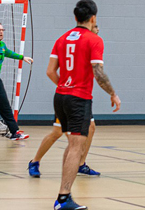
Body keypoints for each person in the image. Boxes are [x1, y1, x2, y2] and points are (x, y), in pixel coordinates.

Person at [48, 0, 121, 210]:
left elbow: (50, 71)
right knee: (75, 147)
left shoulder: (62, 39)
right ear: (93, 18)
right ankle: (63, 197)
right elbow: (98, 73)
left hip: (60, 96)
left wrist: (65, 84)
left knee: (72, 145)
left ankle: (65, 193)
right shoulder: (94, 39)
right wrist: (113, 94)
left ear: (75, 17)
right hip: (79, 98)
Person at [29, 24, 102, 178]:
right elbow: (50, 71)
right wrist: (67, 86)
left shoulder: (83, 43)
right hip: (70, 96)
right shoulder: (81, 42)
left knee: (91, 127)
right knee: (57, 132)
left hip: (78, 96)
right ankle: (34, 161)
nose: (98, 29)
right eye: (95, 26)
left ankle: (81, 163)